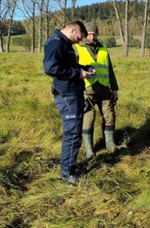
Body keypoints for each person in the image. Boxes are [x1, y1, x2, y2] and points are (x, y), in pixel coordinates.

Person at [43, 21, 93, 184]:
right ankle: (67, 173)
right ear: (72, 30)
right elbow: (50, 68)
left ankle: (69, 166)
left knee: (75, 132)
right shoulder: (56, 42)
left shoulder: (64, 43)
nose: (78, 41)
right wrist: (78, 74)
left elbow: (67, 65)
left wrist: (84, 68)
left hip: (73, 93)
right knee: (72, 133)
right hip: (67, 95)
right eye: (78, 38)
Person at [74, 22, 120, 160]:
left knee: (109, 116)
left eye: (94, 33)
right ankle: (89, 150)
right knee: (88, 118)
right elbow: (74, 70)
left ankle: (110, 145)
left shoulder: (104, 49)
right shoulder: (77, 48)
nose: (92, 36)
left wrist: (115, 88)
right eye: (89, 34)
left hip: (105, 89)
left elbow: (110, 70)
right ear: (84, 34)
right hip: (87, 90)